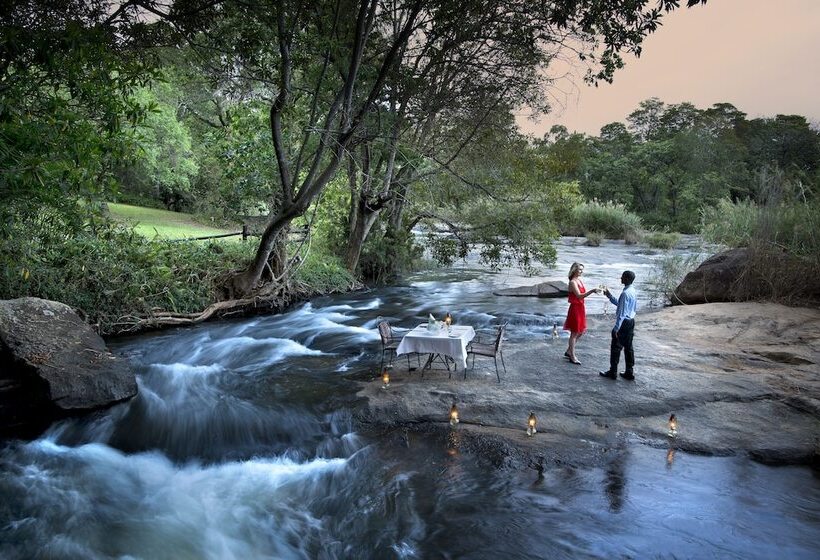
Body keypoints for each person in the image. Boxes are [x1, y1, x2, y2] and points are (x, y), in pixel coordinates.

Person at [599, 270, 637, 380]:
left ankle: (613, 371)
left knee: (616, 347)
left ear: (626, 279)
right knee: (629, 347)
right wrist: (610, 296)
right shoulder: (633, 290)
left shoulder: (625, 293)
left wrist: (616, 328)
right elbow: (626, 306)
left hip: (624, 323)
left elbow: (621, 313)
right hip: (631, 321)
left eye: (622, 277)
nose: (621, 278)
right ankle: (629, 372)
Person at [563, 262, 600, 365]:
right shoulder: (572, 282)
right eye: (579, 270)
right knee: (575, 332)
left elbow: (581, 296)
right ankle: (572, 356)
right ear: (574, 270)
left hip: (580, 308)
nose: (581, 272)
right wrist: (592, 291)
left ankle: (569, 351)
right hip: (575, 308)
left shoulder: (579, 280)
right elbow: (579, 296)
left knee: (581, 331)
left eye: (582, 270)